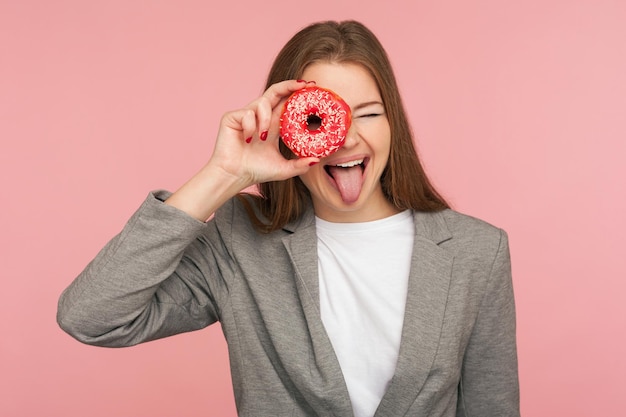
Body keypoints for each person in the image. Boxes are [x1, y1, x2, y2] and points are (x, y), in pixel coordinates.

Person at [57, 20, 519, 417]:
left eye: (370, 113)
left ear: (393, 122)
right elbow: (91, 317)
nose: (345, 139)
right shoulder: (239, 242)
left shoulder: (477, 251)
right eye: (322, 118)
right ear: (286, 130)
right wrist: (223, 174)